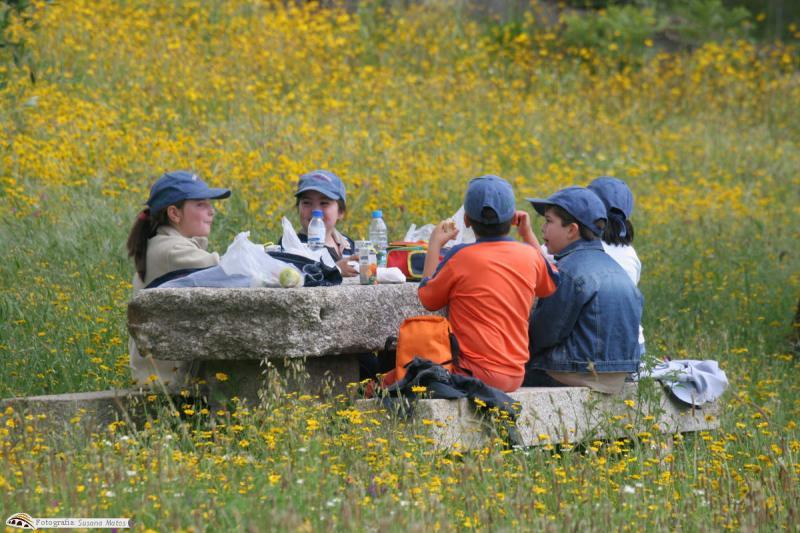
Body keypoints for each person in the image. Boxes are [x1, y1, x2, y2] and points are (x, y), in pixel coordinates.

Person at [384, 175, 558, 392]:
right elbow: (551, 283)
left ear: (466, 220)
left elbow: (428, 299)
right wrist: (528, 234)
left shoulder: (461, 256)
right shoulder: (529, 256)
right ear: (514, 217)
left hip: (471, 373)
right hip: (515, 374)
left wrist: (434, 245)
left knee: (394, 375)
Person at [524, 186, 642, 393]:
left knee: (496, 372)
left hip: (576, 372)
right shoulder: (617, 270)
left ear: (572, 230)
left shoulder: (568, 272)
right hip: (618, 374)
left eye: (549, 221)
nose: (543, 228)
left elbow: (544, 335)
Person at [126, 170, 231, 388]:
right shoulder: (172, 250)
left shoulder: (162, 243)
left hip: (158, 376)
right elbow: (228, 271)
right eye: (201, 204)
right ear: (174, 213)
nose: (211, 211)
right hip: (168, 383)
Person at [587, 176, 646, 356]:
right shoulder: (630, 254)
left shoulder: (575, 245)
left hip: (591, 347)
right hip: (633, 345)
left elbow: (541, 264)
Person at [282, 169, 358, 277]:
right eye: (307, 203)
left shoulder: (348, 244)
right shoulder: (292, 245)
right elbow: (294, 277)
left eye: (324, 203)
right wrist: (336, 270)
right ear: (298, 208)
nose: (315, 210)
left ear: (340, 212)